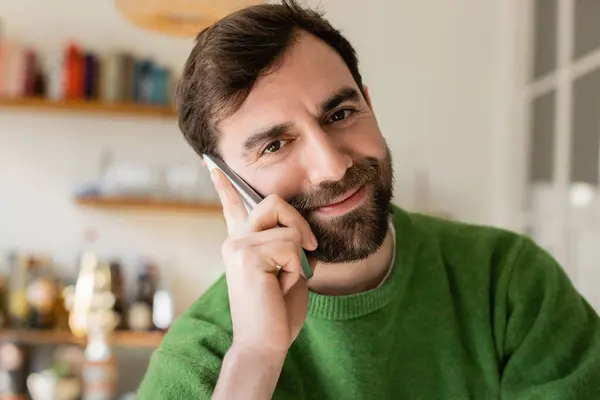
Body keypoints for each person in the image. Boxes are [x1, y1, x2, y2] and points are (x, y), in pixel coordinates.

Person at [136, 1, 600, 398]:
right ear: (225, 180)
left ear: (370, 105)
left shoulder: (511, 282)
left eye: (340, 113)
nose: (333, 166)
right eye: (274, 145)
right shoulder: (200, 361)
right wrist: (255, 360)